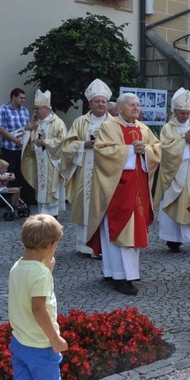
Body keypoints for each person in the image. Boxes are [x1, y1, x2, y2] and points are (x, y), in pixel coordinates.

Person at [86, 93, 162, 296]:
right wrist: (129, 151)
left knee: (132, 231)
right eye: (132, 105)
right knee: (120, 231)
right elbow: (102, 152)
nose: (136, 108)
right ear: (119, 108)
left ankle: (119, 272)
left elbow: (157, 149)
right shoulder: (109, 127)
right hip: (116, 189)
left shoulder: (143, 129)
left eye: (138, 105)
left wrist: (145, 150)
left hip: (138, 189)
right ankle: (120, 276)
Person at [6, 214, 67, 380]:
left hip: (20, 341)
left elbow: (28, 291)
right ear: (51, 245)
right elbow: (38, 308)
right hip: (41, 345)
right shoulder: (40, 274)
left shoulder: (18, 266)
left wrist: (47, 271)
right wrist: (55, 338)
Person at [62, 79, 112, 256]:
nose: (100, 104)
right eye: (97, 101)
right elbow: (67, 145)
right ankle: (85, 245)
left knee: (106, 207)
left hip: (108, 173)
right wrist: (84, 145)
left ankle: (105, 245)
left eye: (103, 101)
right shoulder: (80, 122)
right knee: (85, 204)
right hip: (86, 170)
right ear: (90, 103)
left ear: (107, 103)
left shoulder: (114, 123)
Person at [154, 88, 190, 253]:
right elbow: (165, 149)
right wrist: (184, 142)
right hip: (174, 173)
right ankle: (172, 239)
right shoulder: (168, 128)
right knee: (172, 201)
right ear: (174, 111)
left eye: (188, 113)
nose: (185, 116)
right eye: (182, 113)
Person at [21, 90, 67, 217]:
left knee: (49, 189)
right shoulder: (39, 123)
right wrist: (31, 138)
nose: (36, 112)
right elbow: (34, 141)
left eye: (37, 109)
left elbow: (62, 141)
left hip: (52, 162)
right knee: (41, 189)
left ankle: (52, 216)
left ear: (46, 108)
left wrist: (45, 142)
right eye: (35, 109)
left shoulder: (57, 123)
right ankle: (42, 213)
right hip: (40, 161)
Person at [0, 88, 37, 200]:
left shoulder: (25, 111)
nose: (23, 100)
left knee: (21, 174)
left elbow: (27, 129)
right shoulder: (2, 109)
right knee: (9, 174)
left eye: (24, 98)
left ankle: (20, 200)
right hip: (9, 148)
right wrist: (15, 140)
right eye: (21, 97)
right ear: (13, 97)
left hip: (22, 149)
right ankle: (9, 201)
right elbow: (0, 128)